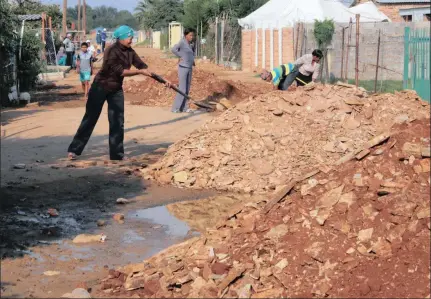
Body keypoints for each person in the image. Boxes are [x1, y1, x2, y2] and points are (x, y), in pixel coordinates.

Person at [67, 25, 171, 161]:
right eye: (129, 37)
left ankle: (116, 155)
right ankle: (74, 149)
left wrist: (163, 79)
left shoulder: (130, 51)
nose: (131, 40)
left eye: (131, 37)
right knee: (90, 118)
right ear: (121, 38)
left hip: (116, 89)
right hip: (100, 87)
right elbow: (120, 71)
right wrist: (139, 72)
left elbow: (143, 66)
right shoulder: (110, 50)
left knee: (117, 121)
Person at [171, 28, 196, 113]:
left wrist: (193, 62)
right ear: (186, 36)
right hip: (183, 68)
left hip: (189, 68)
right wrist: (180, 56)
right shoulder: (182, 42)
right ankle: (175, 108)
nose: (192, 37)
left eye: (193, 35)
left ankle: (184, 108)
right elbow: (173, 49)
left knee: (187, 89)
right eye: (190, 35)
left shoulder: (191, 44)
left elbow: (191, 54)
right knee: (182, 89)